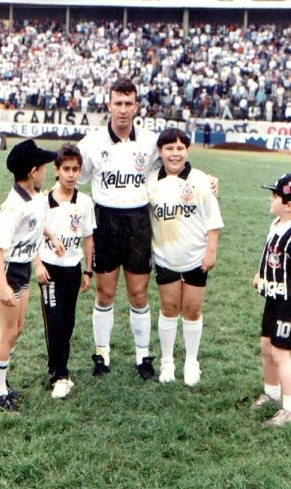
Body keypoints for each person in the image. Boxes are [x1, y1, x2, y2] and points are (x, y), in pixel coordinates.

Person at [78, 78, 219, 379]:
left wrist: (206, 179)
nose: (123, 110)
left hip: (139, 221)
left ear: (137, 106)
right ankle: (102, 354)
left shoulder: (150, 141)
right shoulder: (91, 143)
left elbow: (176, 161)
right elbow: (73, 178)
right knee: (104, 294)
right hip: (105, 220)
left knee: (139, 294)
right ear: (109, 105)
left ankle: (144, 356)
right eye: (118, 103)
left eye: (129, 104)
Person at [0, 139, 64, 412]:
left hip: (22, 268)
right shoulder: (13, 206)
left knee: (17, 329)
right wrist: (4, 286)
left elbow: (36, 225)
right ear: (33, 171)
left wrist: (52, 235)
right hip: (7, 271)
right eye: (43, 166)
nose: (47, 170)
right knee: (7, 332)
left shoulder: (35, 197)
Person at [147, 128, 224, 385]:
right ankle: (167, 362)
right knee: (169, 308)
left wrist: (211, 251)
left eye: (180, 148)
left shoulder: (200, 179)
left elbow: (213, 219)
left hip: (196, 256)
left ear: (187, 151)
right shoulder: (150, 181)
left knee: (192, 309)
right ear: (160, 152)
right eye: (169, 148)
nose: (175, 154)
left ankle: (192, 361)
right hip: (165, 256)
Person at [35, 143, 96, 399]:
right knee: (55, 321)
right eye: (66, 169)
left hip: (73, 269)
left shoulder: (85, 202)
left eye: (76, 169)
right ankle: (61, 375)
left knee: (68, 322)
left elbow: (89, 238)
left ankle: (56, 366)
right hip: (49, 270)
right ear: (56, 171)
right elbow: (34, 235)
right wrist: (37, 264)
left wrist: (88, 272)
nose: (71, 174)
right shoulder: (43, 202)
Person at [252, 174, 291, 426]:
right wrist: (261, 273)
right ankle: (272, 392)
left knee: (281, 353)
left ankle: (289, 408)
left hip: (288, 301)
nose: (271, 199)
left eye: (275, 196)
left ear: (289, 204)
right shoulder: (277, 223)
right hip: (273, 296)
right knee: (267, 346)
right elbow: (270, 255)